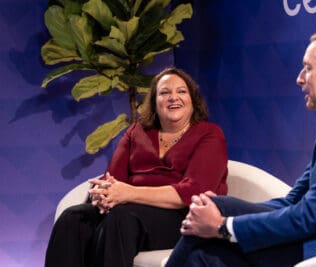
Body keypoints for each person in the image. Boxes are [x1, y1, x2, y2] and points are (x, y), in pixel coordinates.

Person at [165, 28, 316, 267]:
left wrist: (221, 225)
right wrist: (223, 211)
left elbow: (309, 215)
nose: (300, 78)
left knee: (214, 226)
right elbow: (292, 201)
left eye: (308, 68)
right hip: (315, 239)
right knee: (203, 255)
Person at [45, 67, 229, 267]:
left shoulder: (209, 134)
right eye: (165, 92)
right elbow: (112, 178)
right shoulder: (137, 132)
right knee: (73, 218)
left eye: (181, 91)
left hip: (183, 218)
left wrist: (129, 193)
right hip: (130, 212)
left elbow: (194, 191)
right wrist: (103, 193)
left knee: (122, 217)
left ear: (193, 101)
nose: (173, 98)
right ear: (154, 102)